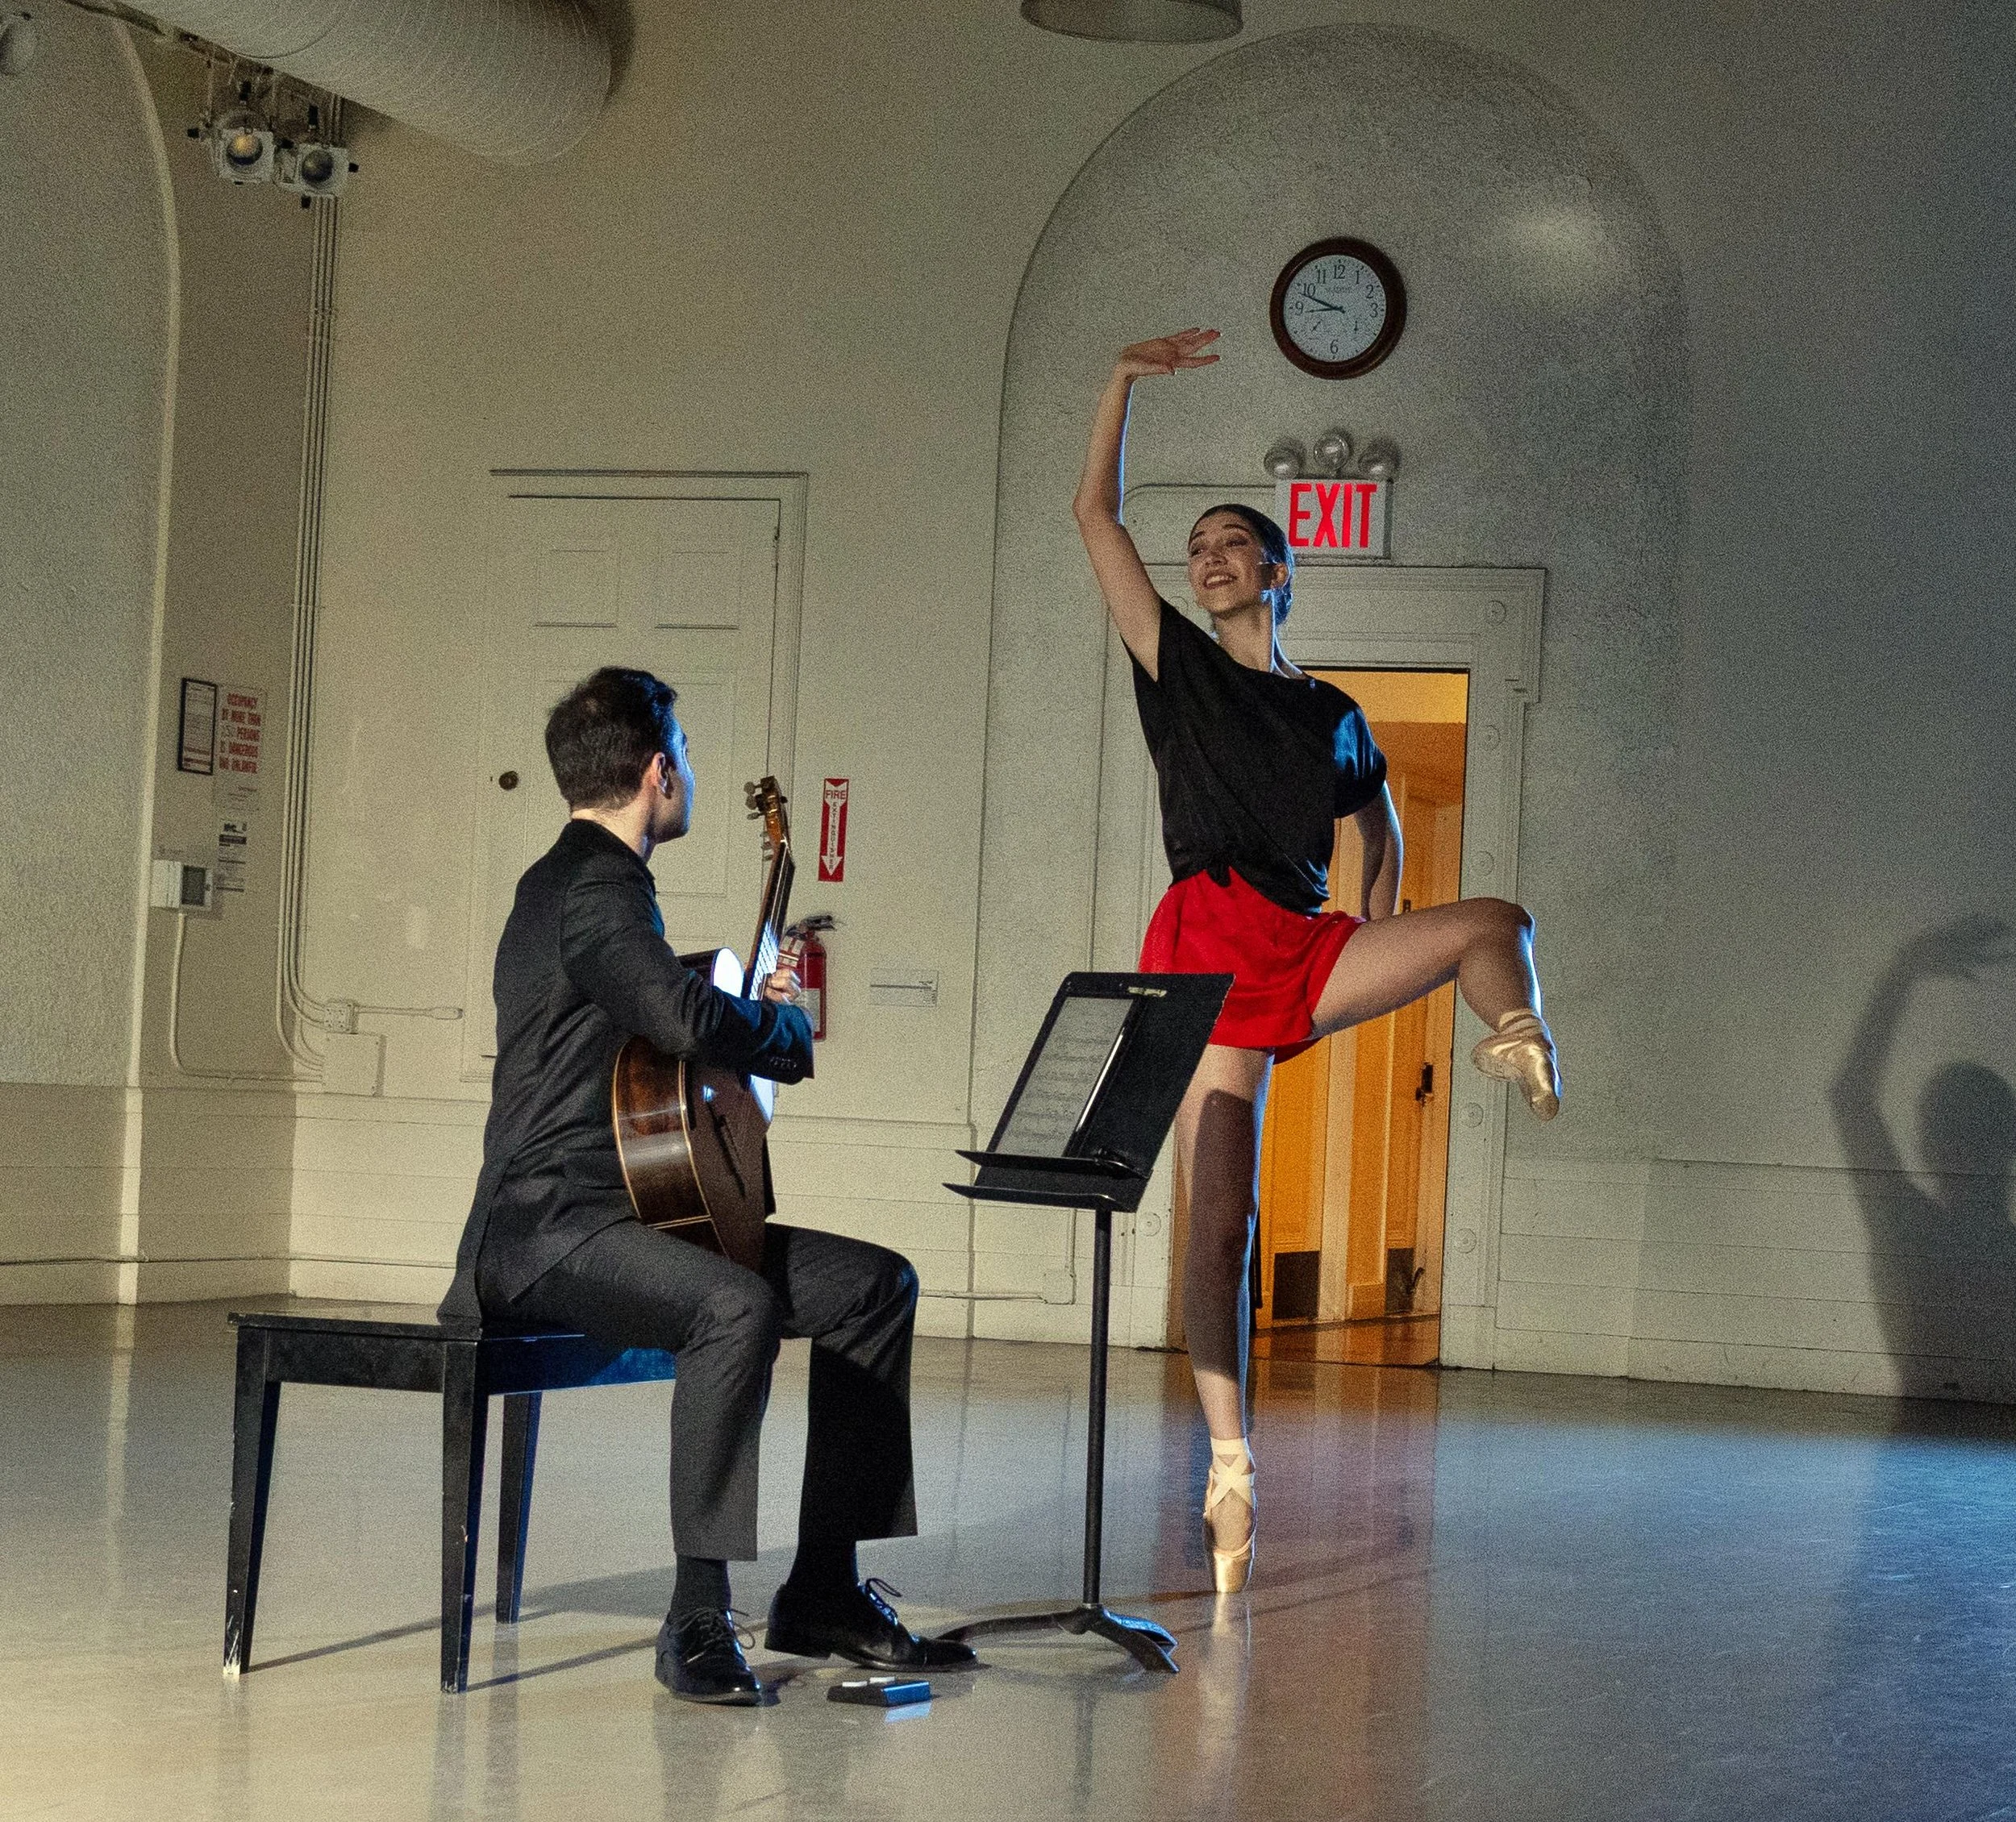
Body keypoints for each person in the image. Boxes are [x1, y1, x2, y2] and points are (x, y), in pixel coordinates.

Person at [1072, 328, 1563, 1595]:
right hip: (1204, 943)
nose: (1211, 560)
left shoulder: (1333, 714)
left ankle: (1517, 1037)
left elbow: (1377, 831)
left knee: (1494, 919)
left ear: (1279, 572)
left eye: (1235, 546)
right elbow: (1095, 517)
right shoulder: (1175, 670)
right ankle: (1230, 1465)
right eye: (1201, 552)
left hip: (1302, 944)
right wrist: (1122, 383)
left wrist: (1369, 931)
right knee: (1218, 1216)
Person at [440, 667, 975, 1704]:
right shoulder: (595, 884)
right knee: (735, 1306)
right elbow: (680, 1019)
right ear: (656, 772)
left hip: (642, 1214)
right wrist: (779, 1030)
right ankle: (694, 1613)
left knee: (875, 1285)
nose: (685, 768)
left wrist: (728, 1009)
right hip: (551, 1229)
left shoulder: (582, 887)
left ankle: (821, 1588)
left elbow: (651, 1036)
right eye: (680, 752)